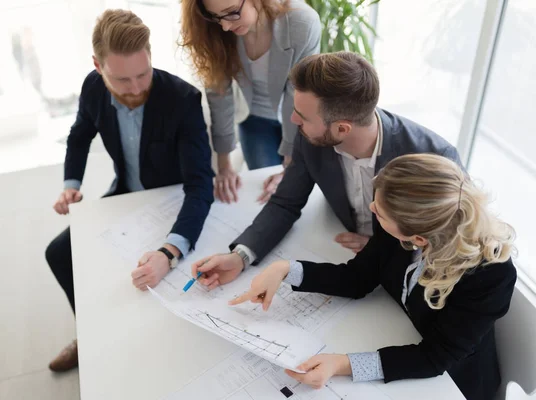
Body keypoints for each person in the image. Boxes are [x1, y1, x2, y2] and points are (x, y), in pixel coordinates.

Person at [230, 154, 517, 400]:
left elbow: (434, 357)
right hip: (398, 332)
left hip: (451, 383)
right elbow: (357, 278)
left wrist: (344, 364)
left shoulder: (490, 276)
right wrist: (284, 270)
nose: (371, 209)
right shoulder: (398, 223)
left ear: (418, 237)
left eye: (378, 212)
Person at [192, 51, 463, 289]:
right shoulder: (312, 137)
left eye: (303, 116)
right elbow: (285, 202)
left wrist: (386, 250)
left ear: (342, 128)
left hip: (399, 280)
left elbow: (450, 241)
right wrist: (240, 256)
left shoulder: (436, 157)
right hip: (339, 254)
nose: (292, 119)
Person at [44, 9, 214, 372]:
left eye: (143, 74)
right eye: (122, 80)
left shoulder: (183, 100)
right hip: (126, 192)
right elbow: (79, 136)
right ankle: (89, 336)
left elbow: (201, 185)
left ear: (151, 58)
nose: (136, 89)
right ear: (97, 65)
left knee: (157, 279)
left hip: (174, 202)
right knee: (59, 253)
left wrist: (169, 251)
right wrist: (71, 185)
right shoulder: (92, 87)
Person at [179, 0, 321, 203]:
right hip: (253, 119)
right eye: (216, 17)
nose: (225, 26)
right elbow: (220, 95)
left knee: (294, 188)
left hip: (298, 118)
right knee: (262, 191)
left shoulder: (302, 22)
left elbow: (297, 95)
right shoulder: (216, 31)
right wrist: (224, 166)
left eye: (231, 13)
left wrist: (290, 164)